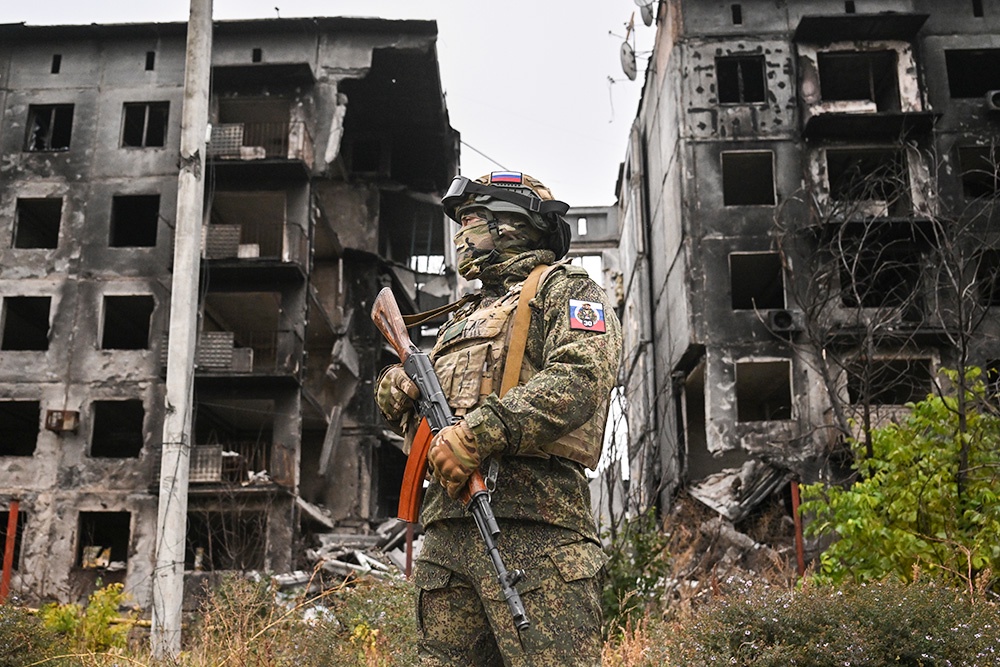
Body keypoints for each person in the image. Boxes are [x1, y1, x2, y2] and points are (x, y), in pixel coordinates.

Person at [375, 171, 622, 666]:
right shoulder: (462, 316)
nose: (462, 235)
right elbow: (422, 403)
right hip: (447, 536)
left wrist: (479, 433)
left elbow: (581, 376)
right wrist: (395, 385)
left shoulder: (564, 290)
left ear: (513, 224)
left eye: (471, 221)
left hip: (537, 531)